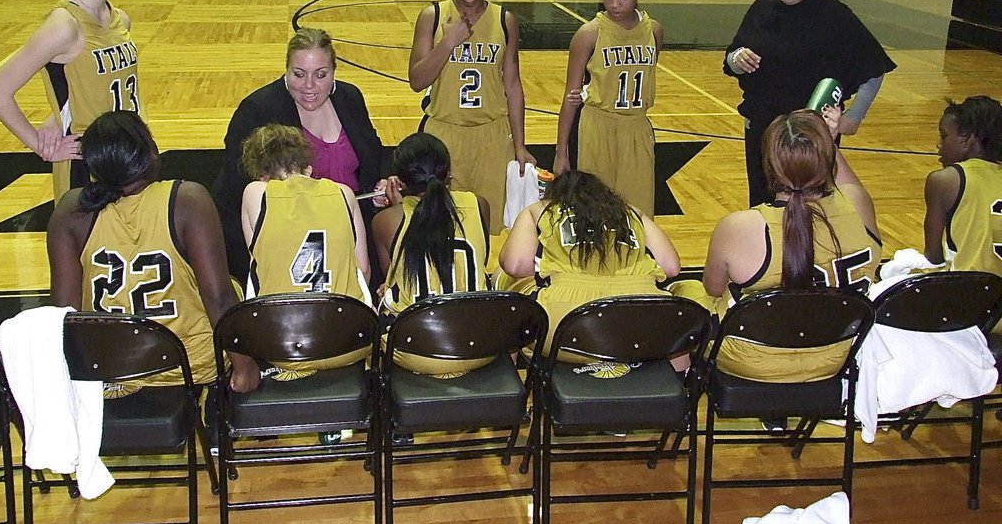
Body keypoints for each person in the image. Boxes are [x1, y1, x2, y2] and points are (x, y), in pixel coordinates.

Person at [46, 111, 260, 395]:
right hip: (186, 365)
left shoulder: (71, 210)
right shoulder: (187, 200)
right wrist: (245, 368)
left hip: (111, 369)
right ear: (151, 153)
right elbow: (218, 297)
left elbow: (64, 314)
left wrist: (69, 389)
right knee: (235, 288)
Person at [702, 108, 881, 382]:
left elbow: (713, 288)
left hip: (756, 361)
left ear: (768, 166)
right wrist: (826, 142)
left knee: (689, 297)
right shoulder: (858, 203)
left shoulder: (741, 226)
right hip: (838, 355)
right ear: (827, 158)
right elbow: (843, 183)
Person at [725, 0, 896, 207]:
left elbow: (874, 67)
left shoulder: (836, 18)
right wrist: (737, 59)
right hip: (763, 129)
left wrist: (853, 119)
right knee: (762, 205)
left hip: (811, 135)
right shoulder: (763, 8)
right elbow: (732, 57)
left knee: (810, 207)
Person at [212, 28, 387, 287]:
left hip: (348, 232)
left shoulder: (350, 98)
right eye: (298, 74)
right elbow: (239, 188)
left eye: (321, 75)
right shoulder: (257, 111)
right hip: (289, 248)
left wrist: (381, 184)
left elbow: (373, 155)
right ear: (286, 69)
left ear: (334, 72)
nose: (309, 86)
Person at [0, 0, 138, 201]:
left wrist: (55, 116)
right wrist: (41, 146)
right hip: (87, 164)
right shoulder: (64, 26)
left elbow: (88, 83)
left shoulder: (120, 20)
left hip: (130, 153)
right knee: (86, 246)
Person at [409, 0, 534, 232]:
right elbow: (417, 80)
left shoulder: (505, 21)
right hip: (444, 133)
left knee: (485, 225)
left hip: (491, 135)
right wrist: (449, 42)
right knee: (442, 226)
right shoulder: (433, 17)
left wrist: (519, 145)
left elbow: (513, 87)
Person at [498, 169, 679, 357]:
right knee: (679, 314)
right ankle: (681, 379)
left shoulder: (541, 209)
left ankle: (508, 380)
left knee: (509, 294)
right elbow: (670, 267)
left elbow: (515, 265)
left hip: (566, 323)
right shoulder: (631, 212)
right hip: (640, 319)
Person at [240, 124, 372, 377]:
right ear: (308, 168)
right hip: (349, 342)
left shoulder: (255, 194)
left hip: (284, 348)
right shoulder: (344, 193)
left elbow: (260, 263)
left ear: (262, 175)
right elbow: (363, 271)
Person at [924, 95, 1002, 334]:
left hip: (980, 312)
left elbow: (933, 256)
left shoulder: (945, 180)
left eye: (943, 136)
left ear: (968, 138)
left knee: (895, 285)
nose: (938, 145)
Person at [372, 133, 492, 377]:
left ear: (401, 182)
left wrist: (398, 207)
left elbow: (393, 277)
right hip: (477, 347)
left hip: (417, 350)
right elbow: (480, 259)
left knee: (382, 294)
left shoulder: (385, 221)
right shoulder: (479, 204)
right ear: (448, 174)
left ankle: (383, 397)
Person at [554, 0, 662, 215]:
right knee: (593, 213)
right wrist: (560, 152)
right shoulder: (589, 34)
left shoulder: (654, 31)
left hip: (636, 129)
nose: (614, 4)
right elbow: (571, 94)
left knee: (637, 215)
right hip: (595, 128)